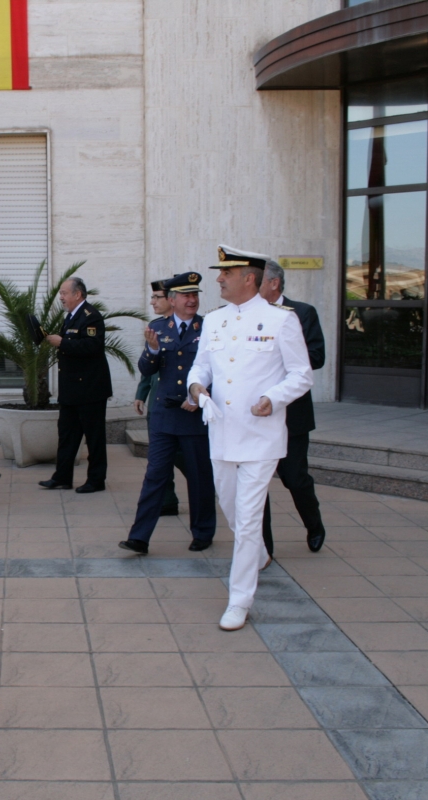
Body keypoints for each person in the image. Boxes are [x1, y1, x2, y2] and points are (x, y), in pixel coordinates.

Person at [187, 245, 312, 632]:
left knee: (247, 519)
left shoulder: (281, 320)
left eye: (227, 273)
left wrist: (274, 398)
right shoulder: (214, 320)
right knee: (231, 508)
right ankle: (256, 553)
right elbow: (201, 366)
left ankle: (239, 600)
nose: (219, 279)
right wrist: (196, 388)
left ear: (250, 278)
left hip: (261, 437)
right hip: (222, 433)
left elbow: (302, 374)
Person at [120, 272, 217, 554]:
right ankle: (139, 537)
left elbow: (218, 369)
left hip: (194, 415)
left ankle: (203, 532)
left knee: (199, 478)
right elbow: (146, 369)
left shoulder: (208, 327)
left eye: (195, 295)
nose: (192, 300)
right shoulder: (158, 327)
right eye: (186, 296)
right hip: (164, 415)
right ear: (172, 300)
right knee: (155, 476)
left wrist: (200, 397)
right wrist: (152, 350)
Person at [259, 261, 327, 555]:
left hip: (291, 413)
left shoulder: (302, 312)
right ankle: (264, 547)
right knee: (256, 482)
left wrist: (278, 358)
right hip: (255, 413)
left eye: (257, 280)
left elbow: (317, 356)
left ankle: (314, 525)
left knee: (295, 478)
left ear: (274, 283)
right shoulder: (244, 316)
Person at [39, 277, 112, 493]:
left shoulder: (91, 316)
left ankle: (96, 480)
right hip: (71, 388)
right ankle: (62, 477)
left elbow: (92, 346)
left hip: (90, 389)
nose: (61, 297)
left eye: (64, 293)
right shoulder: (71, 316)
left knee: (94, 437)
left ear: (77, 294)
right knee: (67, 435)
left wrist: (62, 342)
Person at [134, 279, 183, 516]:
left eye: (157, 297)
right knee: (159, 456)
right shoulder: (155, 326)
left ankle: (208, 486)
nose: (152, 302)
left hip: (183, 403)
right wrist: (141, 393)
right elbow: (149, 363)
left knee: (185, 456)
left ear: (172, 299)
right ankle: (166, 500)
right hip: (157, 400)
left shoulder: (196, 327)